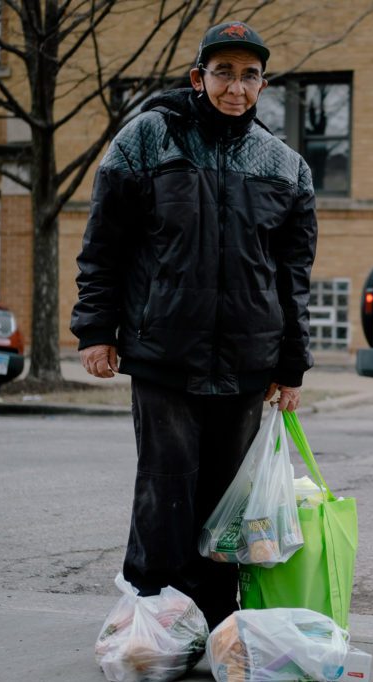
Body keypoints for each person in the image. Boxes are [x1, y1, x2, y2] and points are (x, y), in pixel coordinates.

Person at [70, 20, 317, 628]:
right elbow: (104, 245)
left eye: (250, 75)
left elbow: (293, 275)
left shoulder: (284, 165)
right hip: (164, 350)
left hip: (247, 358)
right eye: (224, 73)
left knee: (227, 503)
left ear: (263, 85)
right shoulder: (146, 140)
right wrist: (95, 329)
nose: (237, 87)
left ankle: (212, 624)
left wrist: (292, 364)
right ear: (198, 77)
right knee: (166, 489)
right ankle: (152, 621)